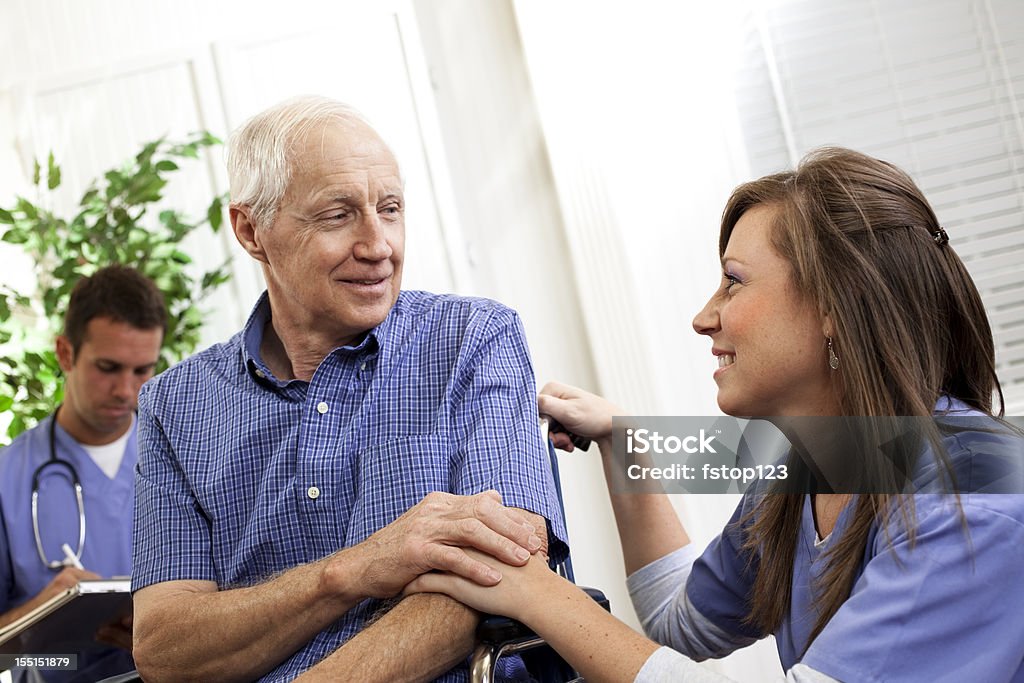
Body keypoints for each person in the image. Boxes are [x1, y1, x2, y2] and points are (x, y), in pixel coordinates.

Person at [406, 147, 1024, 682]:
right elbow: (679, 626)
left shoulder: (973, 498)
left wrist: (537, 593)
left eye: (733, 282)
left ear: (834, 307)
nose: (704, 316)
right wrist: (629, 445)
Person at [130, 95, 568, 683]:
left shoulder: (472, 339)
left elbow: (504, 569)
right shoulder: (173, 406)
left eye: (390, 209)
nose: (378, 245)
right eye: (337, 215)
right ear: (250, 230)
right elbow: (165, 651)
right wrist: (355, 569)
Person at [0, 265, 166, 682]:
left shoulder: (186, 455)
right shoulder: (8, 479)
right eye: (108, 368)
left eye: (142, 370)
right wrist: (40, 612)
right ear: (65, 354)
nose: (127, 390)